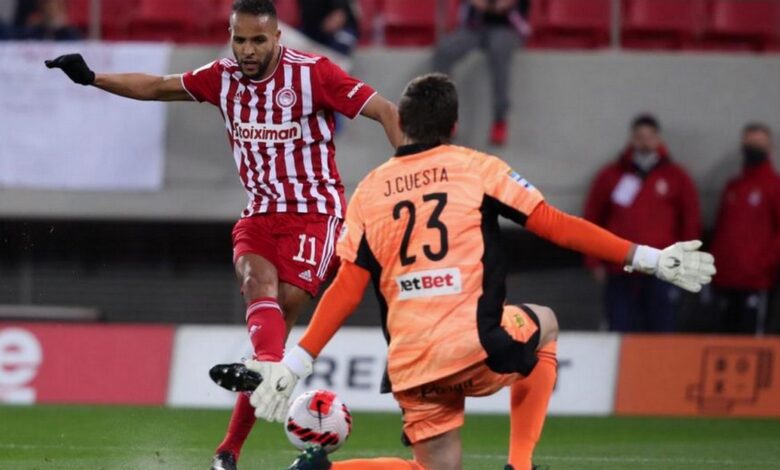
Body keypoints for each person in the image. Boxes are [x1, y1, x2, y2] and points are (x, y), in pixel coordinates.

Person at [214, 74, 714, 470]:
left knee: (434, 468)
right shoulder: (478, 169)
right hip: (474, 343)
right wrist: (647, 258)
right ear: (453, 127)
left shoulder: (369, 190)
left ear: (402, 122)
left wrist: (296, 364)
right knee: (546, 322)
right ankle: (520, 464)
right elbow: (555, 225)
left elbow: (347, 287)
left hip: (411, 363)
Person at [44, 1, 401, 469]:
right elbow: (158, 86)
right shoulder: (222, 77)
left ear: (277, 38)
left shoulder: (313, 73)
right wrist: (93, 78)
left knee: (287, 304)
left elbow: (386, 110)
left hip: (316, 214)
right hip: (260, 212)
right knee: (255, 284)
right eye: (239, 39)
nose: (247, 50)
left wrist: (413, 168)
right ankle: (232, 442)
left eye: (258, 40)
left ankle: (243, 414)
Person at [583, 114, 701, 333]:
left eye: (649, 137)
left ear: (658, 139)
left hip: (661, 269)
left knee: (661, 329)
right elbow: (593, 218)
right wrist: (593, 261)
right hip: (620, 266)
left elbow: (690, 222)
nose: (644, 143)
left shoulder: (677, 177)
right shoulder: (611, 176)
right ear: (632, 139)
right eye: (640, 137)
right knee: (620, 327)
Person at [708, 123, 780, 334]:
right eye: (749, 143)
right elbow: (722, 230)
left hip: (756, 280)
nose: (753, 148)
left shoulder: (774, 186)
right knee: (723, 338)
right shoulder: (733, 186)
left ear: (769, 147)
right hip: (725, 278)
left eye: (758, 143)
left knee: (750, 341)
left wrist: (764, 264)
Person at [432, 0, 530, 147]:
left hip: (506, 27)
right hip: (474, 27)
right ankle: (446, 119)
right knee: (444, 52)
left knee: (499, 52)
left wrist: (499, 5)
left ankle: (500, 119)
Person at [13, 0, 82, 40]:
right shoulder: (32, 32)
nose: (54, 11)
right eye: (50, 7)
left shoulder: (71, 34)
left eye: (59, 6)